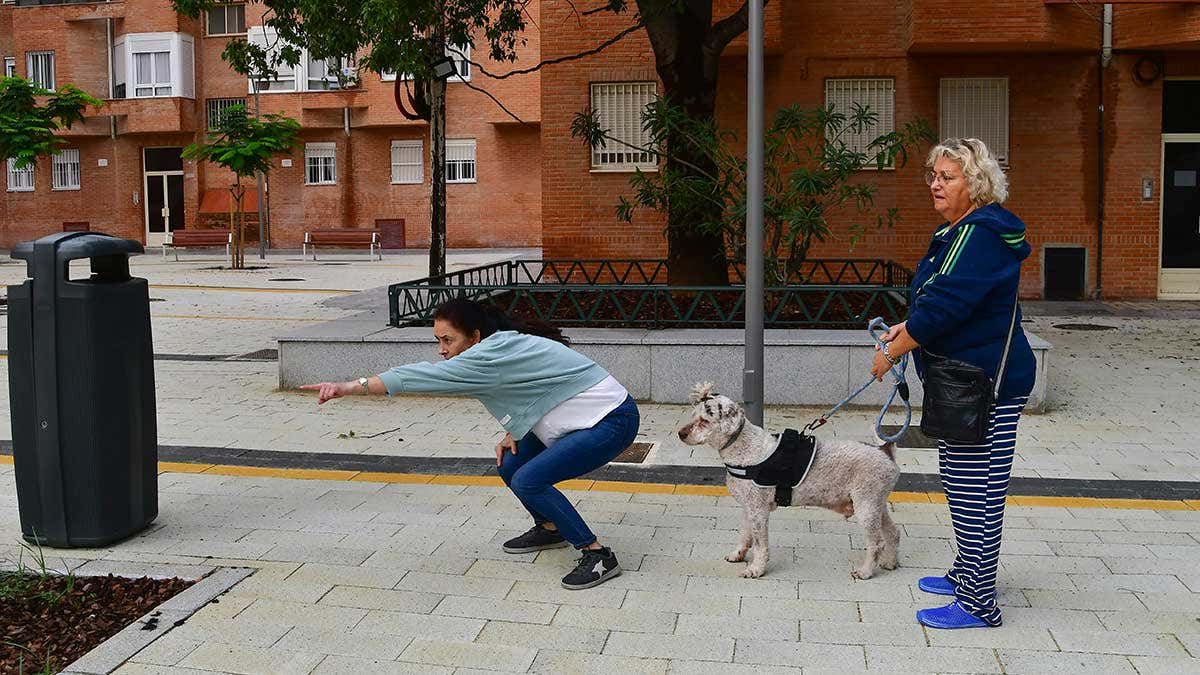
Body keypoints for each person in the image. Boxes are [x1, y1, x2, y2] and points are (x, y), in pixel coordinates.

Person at [301, 298, 639, 590]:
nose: (442, 350)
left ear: (475, 337)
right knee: (510, 464)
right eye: (438, 340)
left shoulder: (486, 357)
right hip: (581, 418)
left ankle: (597, 555)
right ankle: (551, 528)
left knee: (529, 479)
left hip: (610, 420)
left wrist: (347, 387)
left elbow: (415, 377)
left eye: (448, 340)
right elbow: (532, 385)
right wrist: (517, 430)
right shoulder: (501, 345)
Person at [869, 138, 1036, 629]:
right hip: (968, 381)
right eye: (933, 176)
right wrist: (906, 329)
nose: (936, 185)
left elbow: (946, 307)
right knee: (965, 483)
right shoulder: (961, 231)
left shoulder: (978, 235)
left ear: (976, 183)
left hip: (985, 384)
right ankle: (969, 574)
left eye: (948, 177)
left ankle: (979, 604)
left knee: (974, 490)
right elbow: (938, 300)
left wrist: (891, 351)